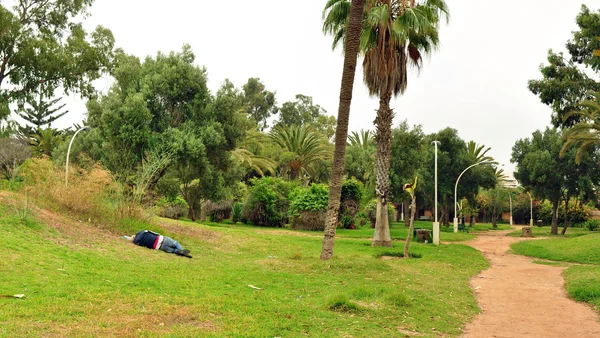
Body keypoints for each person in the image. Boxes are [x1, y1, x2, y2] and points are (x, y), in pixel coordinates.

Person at [125, 230, 192, 258]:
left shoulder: (137, 243)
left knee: (173, 251)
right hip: (162, 239)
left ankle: (178, 252)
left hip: (159, 247)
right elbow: (153, 233)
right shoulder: (142, 232)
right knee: (175, 243)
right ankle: (182, 251)